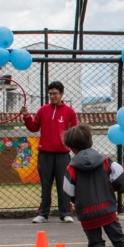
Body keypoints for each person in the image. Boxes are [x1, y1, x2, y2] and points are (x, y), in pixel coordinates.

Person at [61, 125, 124, 247]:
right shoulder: (105, 161)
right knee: (120, 239)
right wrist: (117, 188)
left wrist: (77, 201)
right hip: (107, 209)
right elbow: (119, 176)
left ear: (70, 148)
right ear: (91, 142)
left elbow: (68, 190)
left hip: (86, 212)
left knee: (95, 241)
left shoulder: (71, 168)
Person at [22, 80, 78, 224]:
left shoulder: (69, 112)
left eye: (55, 94)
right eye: (50, 94)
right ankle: (43, 214)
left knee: (63, 184)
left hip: (62, 155)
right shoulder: (43, 110)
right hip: (45, 154)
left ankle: (65, 213)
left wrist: (75, 150)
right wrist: (27, 116)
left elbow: (74, 132)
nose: (52, 96)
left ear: (62, 94)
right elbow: (34, 127)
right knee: (45, 185)